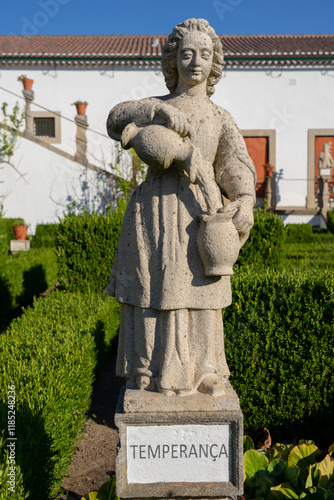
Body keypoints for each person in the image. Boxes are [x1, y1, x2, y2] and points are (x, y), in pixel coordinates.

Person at [105, 18, 256, 396]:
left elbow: (234, 164)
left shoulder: (220, 117)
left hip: (200, 213)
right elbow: (114, 119)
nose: (195, 62)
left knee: (203, 291)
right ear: (173, 60)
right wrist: (153, 112)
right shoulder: (157, 106)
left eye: (204, 54)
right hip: (154, 210)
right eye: (186, 53)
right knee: (152, 291)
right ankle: (149, 371)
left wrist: (246, 198)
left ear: (215, 62)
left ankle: (206, 372)